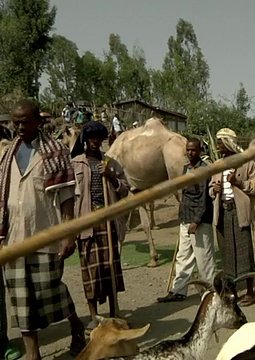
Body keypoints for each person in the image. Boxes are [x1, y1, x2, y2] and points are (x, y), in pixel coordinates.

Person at [0, 100, 85, 359]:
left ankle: (76, 325)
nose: (19, 127)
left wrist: (69, 234)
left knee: (49, 289)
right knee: (20, 297)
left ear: (39, 120)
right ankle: (33, 353)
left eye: (25, 121)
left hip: (46, 235)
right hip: (13, 239)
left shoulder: (56, 152)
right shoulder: (7, 155)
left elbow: (67, 197)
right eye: (16, 122)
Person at [71, 121, 129, 329]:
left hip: (108, 222)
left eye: (98, 138)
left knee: (111, 268)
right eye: (91, 138)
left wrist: (111, 176)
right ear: (85, 140)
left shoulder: (110, 163)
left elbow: (124, 190)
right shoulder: (76, 163)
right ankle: (94, 317)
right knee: (90, 272)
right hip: (86, 223)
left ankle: (115, 313)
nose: (95, 142)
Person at [158, 139, 216, 303]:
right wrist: (184, 218)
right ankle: (178, 290)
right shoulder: (186, 168)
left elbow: (204, 198)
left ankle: (210, 291)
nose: (190, 153)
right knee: (183, 257)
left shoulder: (204, 170)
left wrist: (196, 221)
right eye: (188, 150)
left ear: (199, 151)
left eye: (193, 150)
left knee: (204, 258)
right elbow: (185, 195)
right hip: (185, 217)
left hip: (200, 220)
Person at [210, 128, 255, 306]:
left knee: (245, 253)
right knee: (226, 253)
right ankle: (231, 291)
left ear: (228, 143)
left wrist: (238, 182)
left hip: (240, 214)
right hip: (222, 212)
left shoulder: (247, 164)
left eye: (220, 142)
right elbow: (210, 188)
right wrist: (213, 190)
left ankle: (250, 292)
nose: (217, 146)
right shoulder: (217, 164)